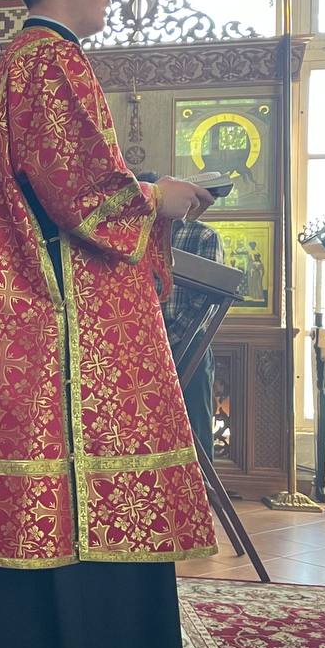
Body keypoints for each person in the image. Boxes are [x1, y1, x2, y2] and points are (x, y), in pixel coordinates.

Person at [0, 0, 218, 648]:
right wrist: (157, 196)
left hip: (53, 306)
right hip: (69, 319)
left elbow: (69, 178)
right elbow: (81, 190)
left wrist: (148, 188)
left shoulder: (31, 59)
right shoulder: (50, 59)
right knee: (83, 473)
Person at [137, 171, 224, 457]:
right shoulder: (134, 237)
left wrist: (167, 340)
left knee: (195, 426)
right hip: (143, 348)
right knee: (146, 429)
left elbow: (205, 304)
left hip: (188, 345)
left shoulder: (203, 236)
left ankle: (202, 483)